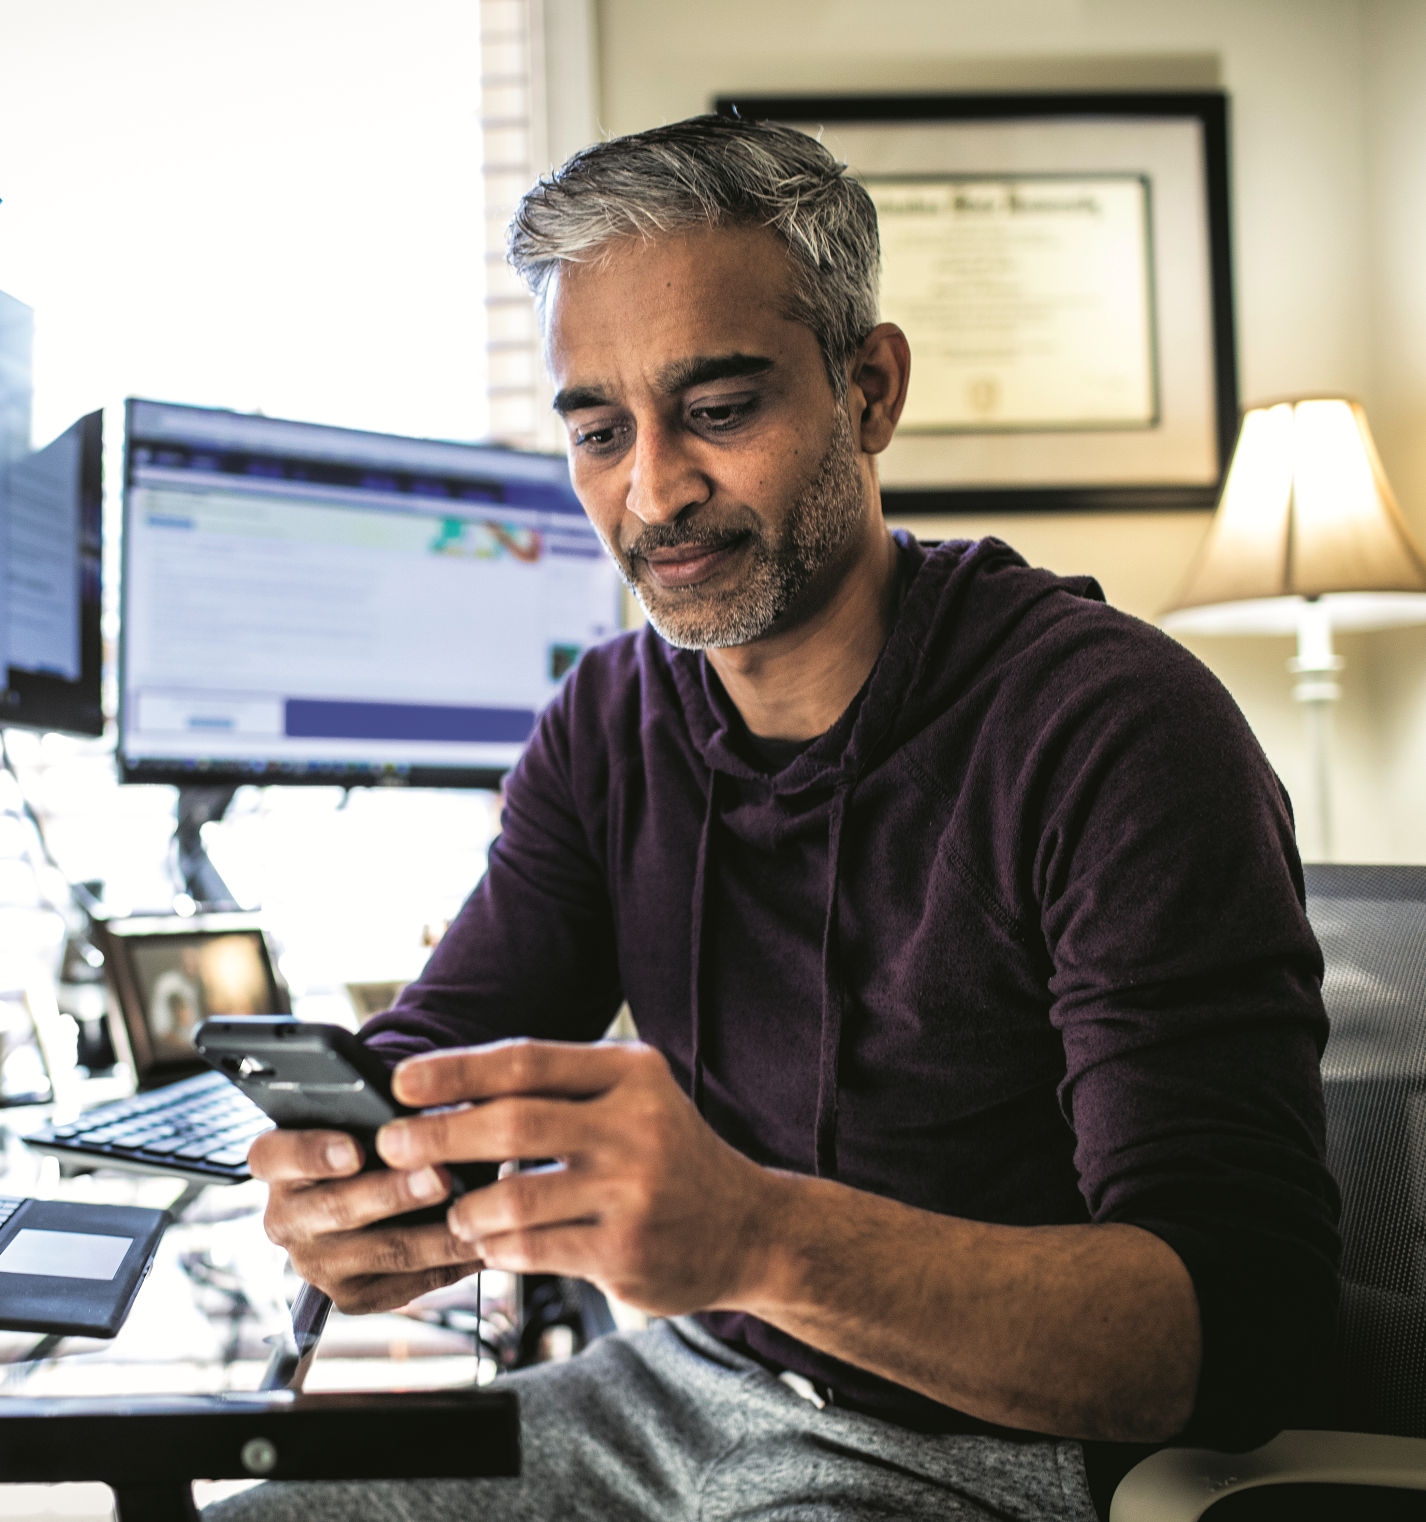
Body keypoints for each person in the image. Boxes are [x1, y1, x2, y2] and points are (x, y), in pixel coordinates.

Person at [210, 116, 1339, 1521]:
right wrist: (357, 1180)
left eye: (721, 409)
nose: (653, 490)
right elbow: (448, 1047)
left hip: (989, 1453)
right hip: (672, 1386)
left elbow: (1242, 1330)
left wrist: (755, 1233)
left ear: (869, 390)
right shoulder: (609, 718)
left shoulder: (1117, 729)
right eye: (599, 431)